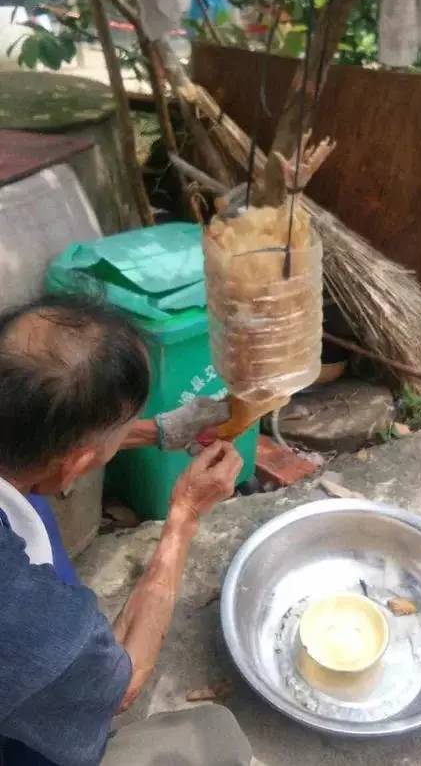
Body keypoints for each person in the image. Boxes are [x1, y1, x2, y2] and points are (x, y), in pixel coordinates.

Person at [0, 295, 254, 766]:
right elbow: (122, 681)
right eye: (112, 437)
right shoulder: (35, 623)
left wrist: (164, 429)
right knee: (215, 735)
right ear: (75, 466)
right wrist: (183, 515)